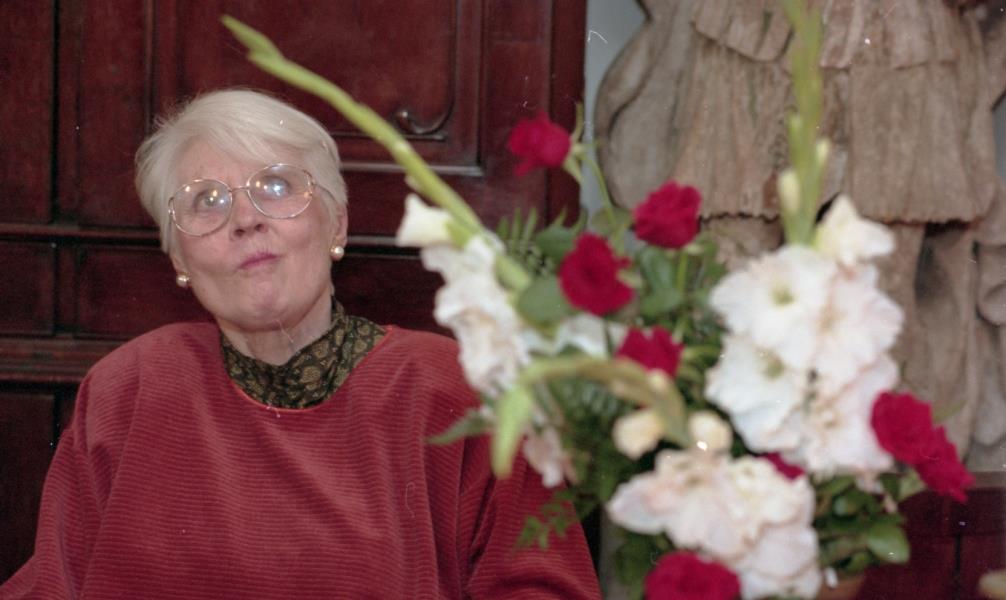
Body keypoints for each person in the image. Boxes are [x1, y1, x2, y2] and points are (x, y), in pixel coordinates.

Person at [0, 89, 600, 599]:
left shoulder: (459, 391)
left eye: (276, 185)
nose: (246, 219)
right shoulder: (127, 388)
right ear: (179, 257)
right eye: (207, 201)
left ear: (336, 222)